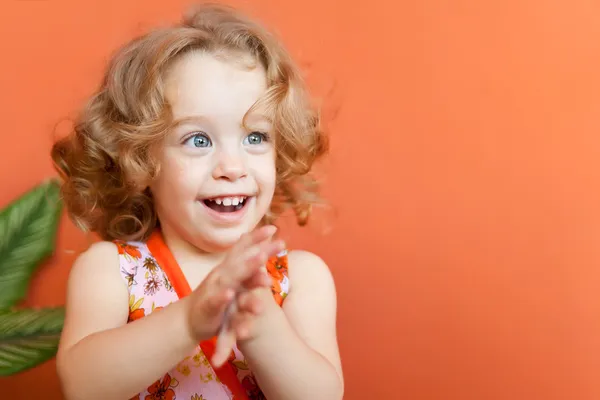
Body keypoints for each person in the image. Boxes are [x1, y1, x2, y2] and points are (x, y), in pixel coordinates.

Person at [50, 3, 343, 400]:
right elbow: (82, 387)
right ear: (142, 159)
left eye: (255, 137)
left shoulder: (301, 279)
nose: (231, 166)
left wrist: (262, 326)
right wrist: (189, 321)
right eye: (198, 140)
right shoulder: (113, 271)